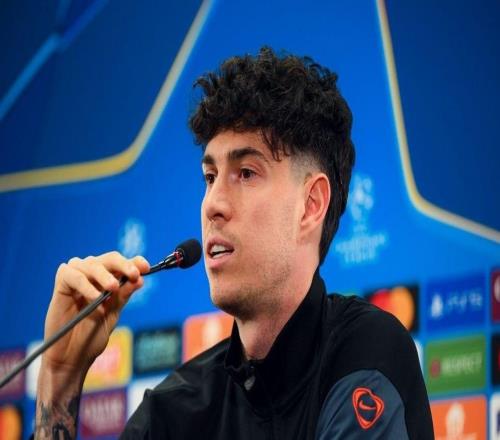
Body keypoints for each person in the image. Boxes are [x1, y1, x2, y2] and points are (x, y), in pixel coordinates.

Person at [34, 47, 434, 439]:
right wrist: (59, 377)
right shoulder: (172, 411)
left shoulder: (364, 353)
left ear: (311, 205)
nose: (213, 204)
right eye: (210, 177)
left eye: (245, 173)